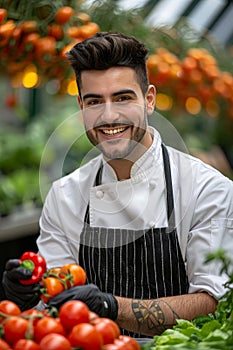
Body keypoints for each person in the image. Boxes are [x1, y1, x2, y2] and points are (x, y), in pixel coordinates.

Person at [2, 32, 233, 337]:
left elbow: (213, 305)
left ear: (149, 100)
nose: (108, 116)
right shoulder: (65, 196)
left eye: (123, 98)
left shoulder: (207, 189)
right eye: (95, 101)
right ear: (81, 106)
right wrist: (32, 293)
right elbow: (53, 308)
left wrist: (111, 307)